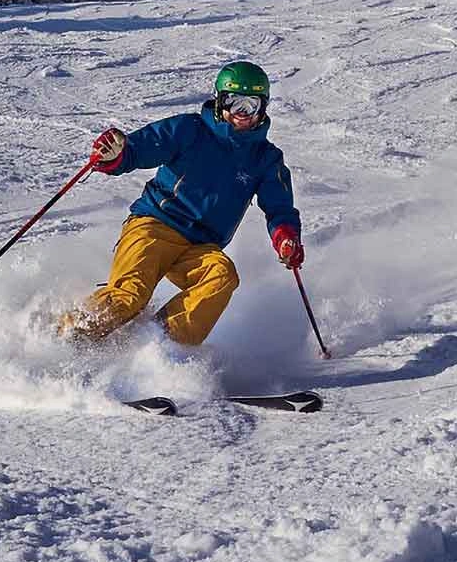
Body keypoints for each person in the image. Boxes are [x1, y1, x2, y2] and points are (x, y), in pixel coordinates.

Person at [58, 61, 303, 347]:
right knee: (131, 295)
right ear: (220, 100)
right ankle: (69, 334)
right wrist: (117, 155)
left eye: (251, 105)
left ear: (263, 107)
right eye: (235, 102)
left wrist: (285, 237)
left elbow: (280, 208)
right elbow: (141, 149)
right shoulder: (190, 130)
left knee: (222, 275)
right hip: (154, 225)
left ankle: (160, 345)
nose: (242, 114)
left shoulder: (265, 159)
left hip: (200, 246)